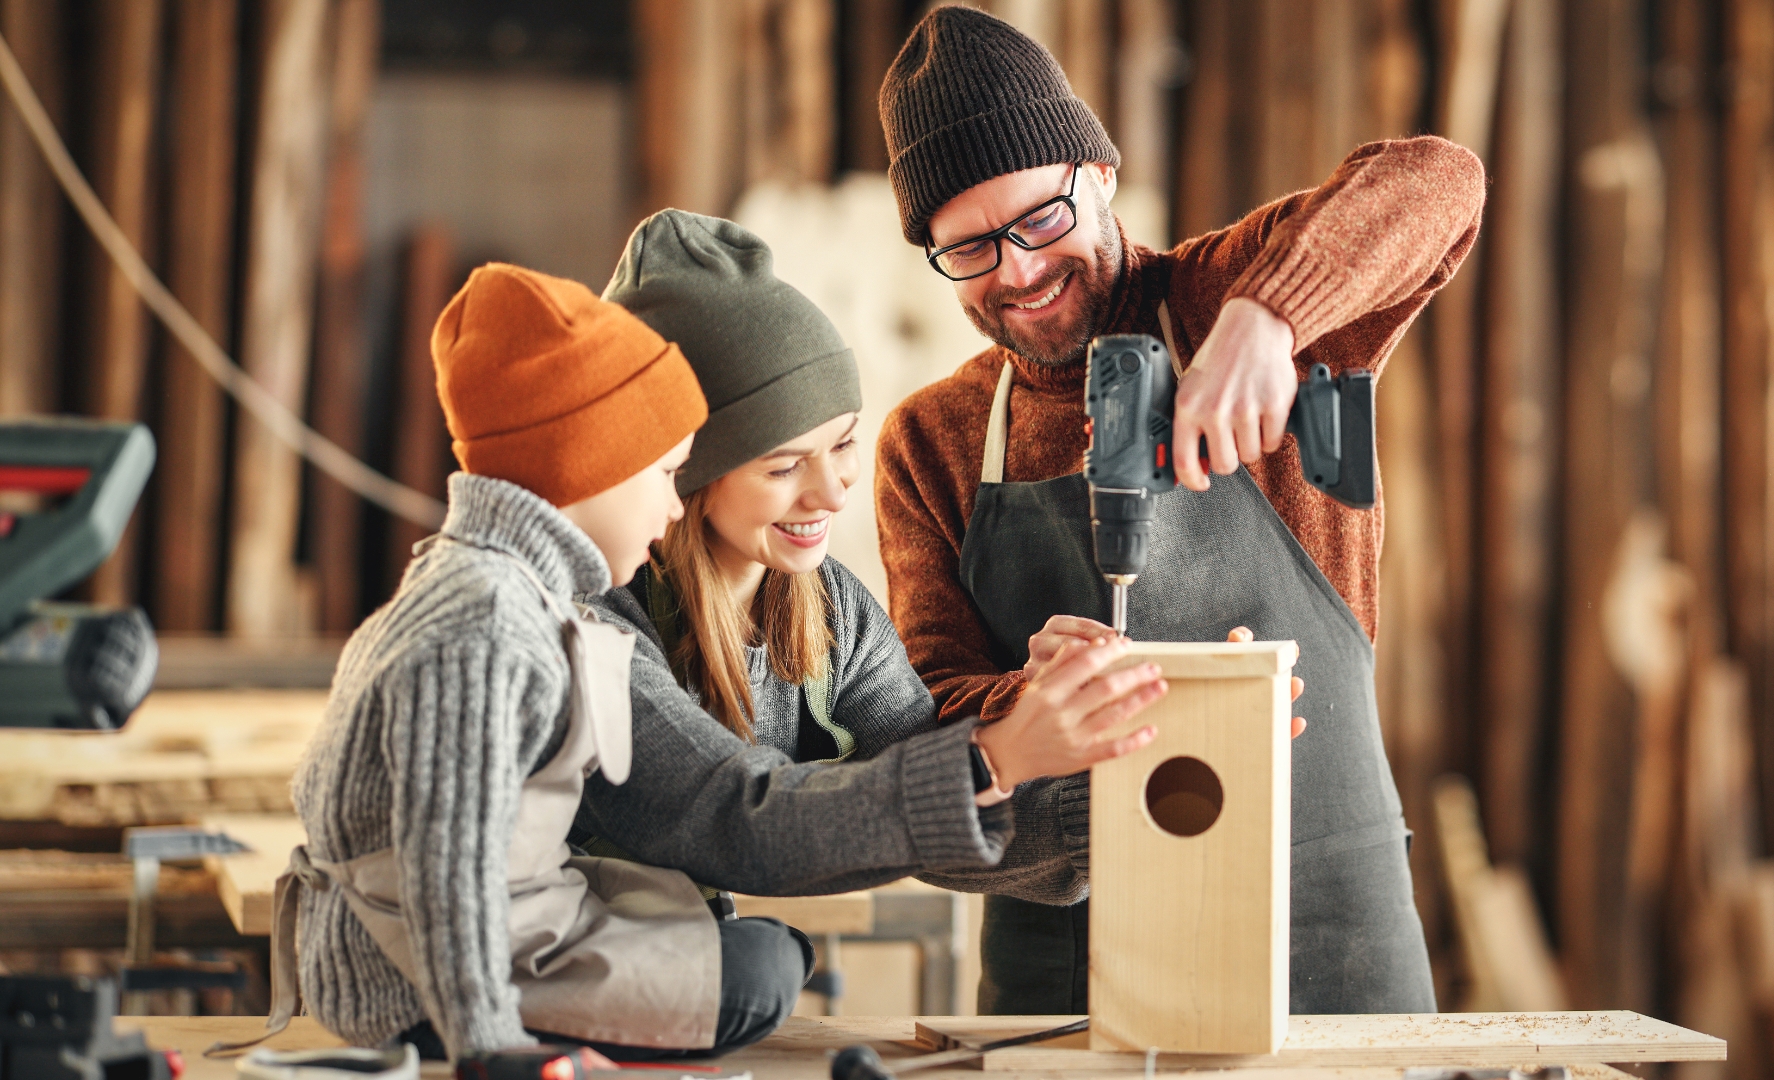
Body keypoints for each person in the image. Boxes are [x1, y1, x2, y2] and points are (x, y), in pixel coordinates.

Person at [872, 6, 1487, 1015]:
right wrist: (1026, 704)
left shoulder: (1224, 297)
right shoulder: (932, 441)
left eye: (1041, 220)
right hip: (1068, 957)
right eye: (972, 250)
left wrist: (1268, 318)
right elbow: (926, 707)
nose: (1019, 271)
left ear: (1099, 176)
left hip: (1321, 928)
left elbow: (1439, 179)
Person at [562, 209, 1172, 1031]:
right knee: (760, 972)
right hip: (535, 979)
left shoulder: (829, 609)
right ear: (686, 474)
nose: (832, 491)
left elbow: (933, 813)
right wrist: (997, 752)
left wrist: (1139, 778)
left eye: (843, 444)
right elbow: (735, 820)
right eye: (784, 466)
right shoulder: (598, 623)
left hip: (668, 967)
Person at [273, 263, 729, 1062]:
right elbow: (450, 869)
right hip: (415, 997)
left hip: (479, 950)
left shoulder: (504, 585)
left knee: (738, 948)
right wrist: (490, 1049)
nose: (671, 509)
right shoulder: (484, 622)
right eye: (664, 475)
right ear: (587, 463)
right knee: (756, 976)